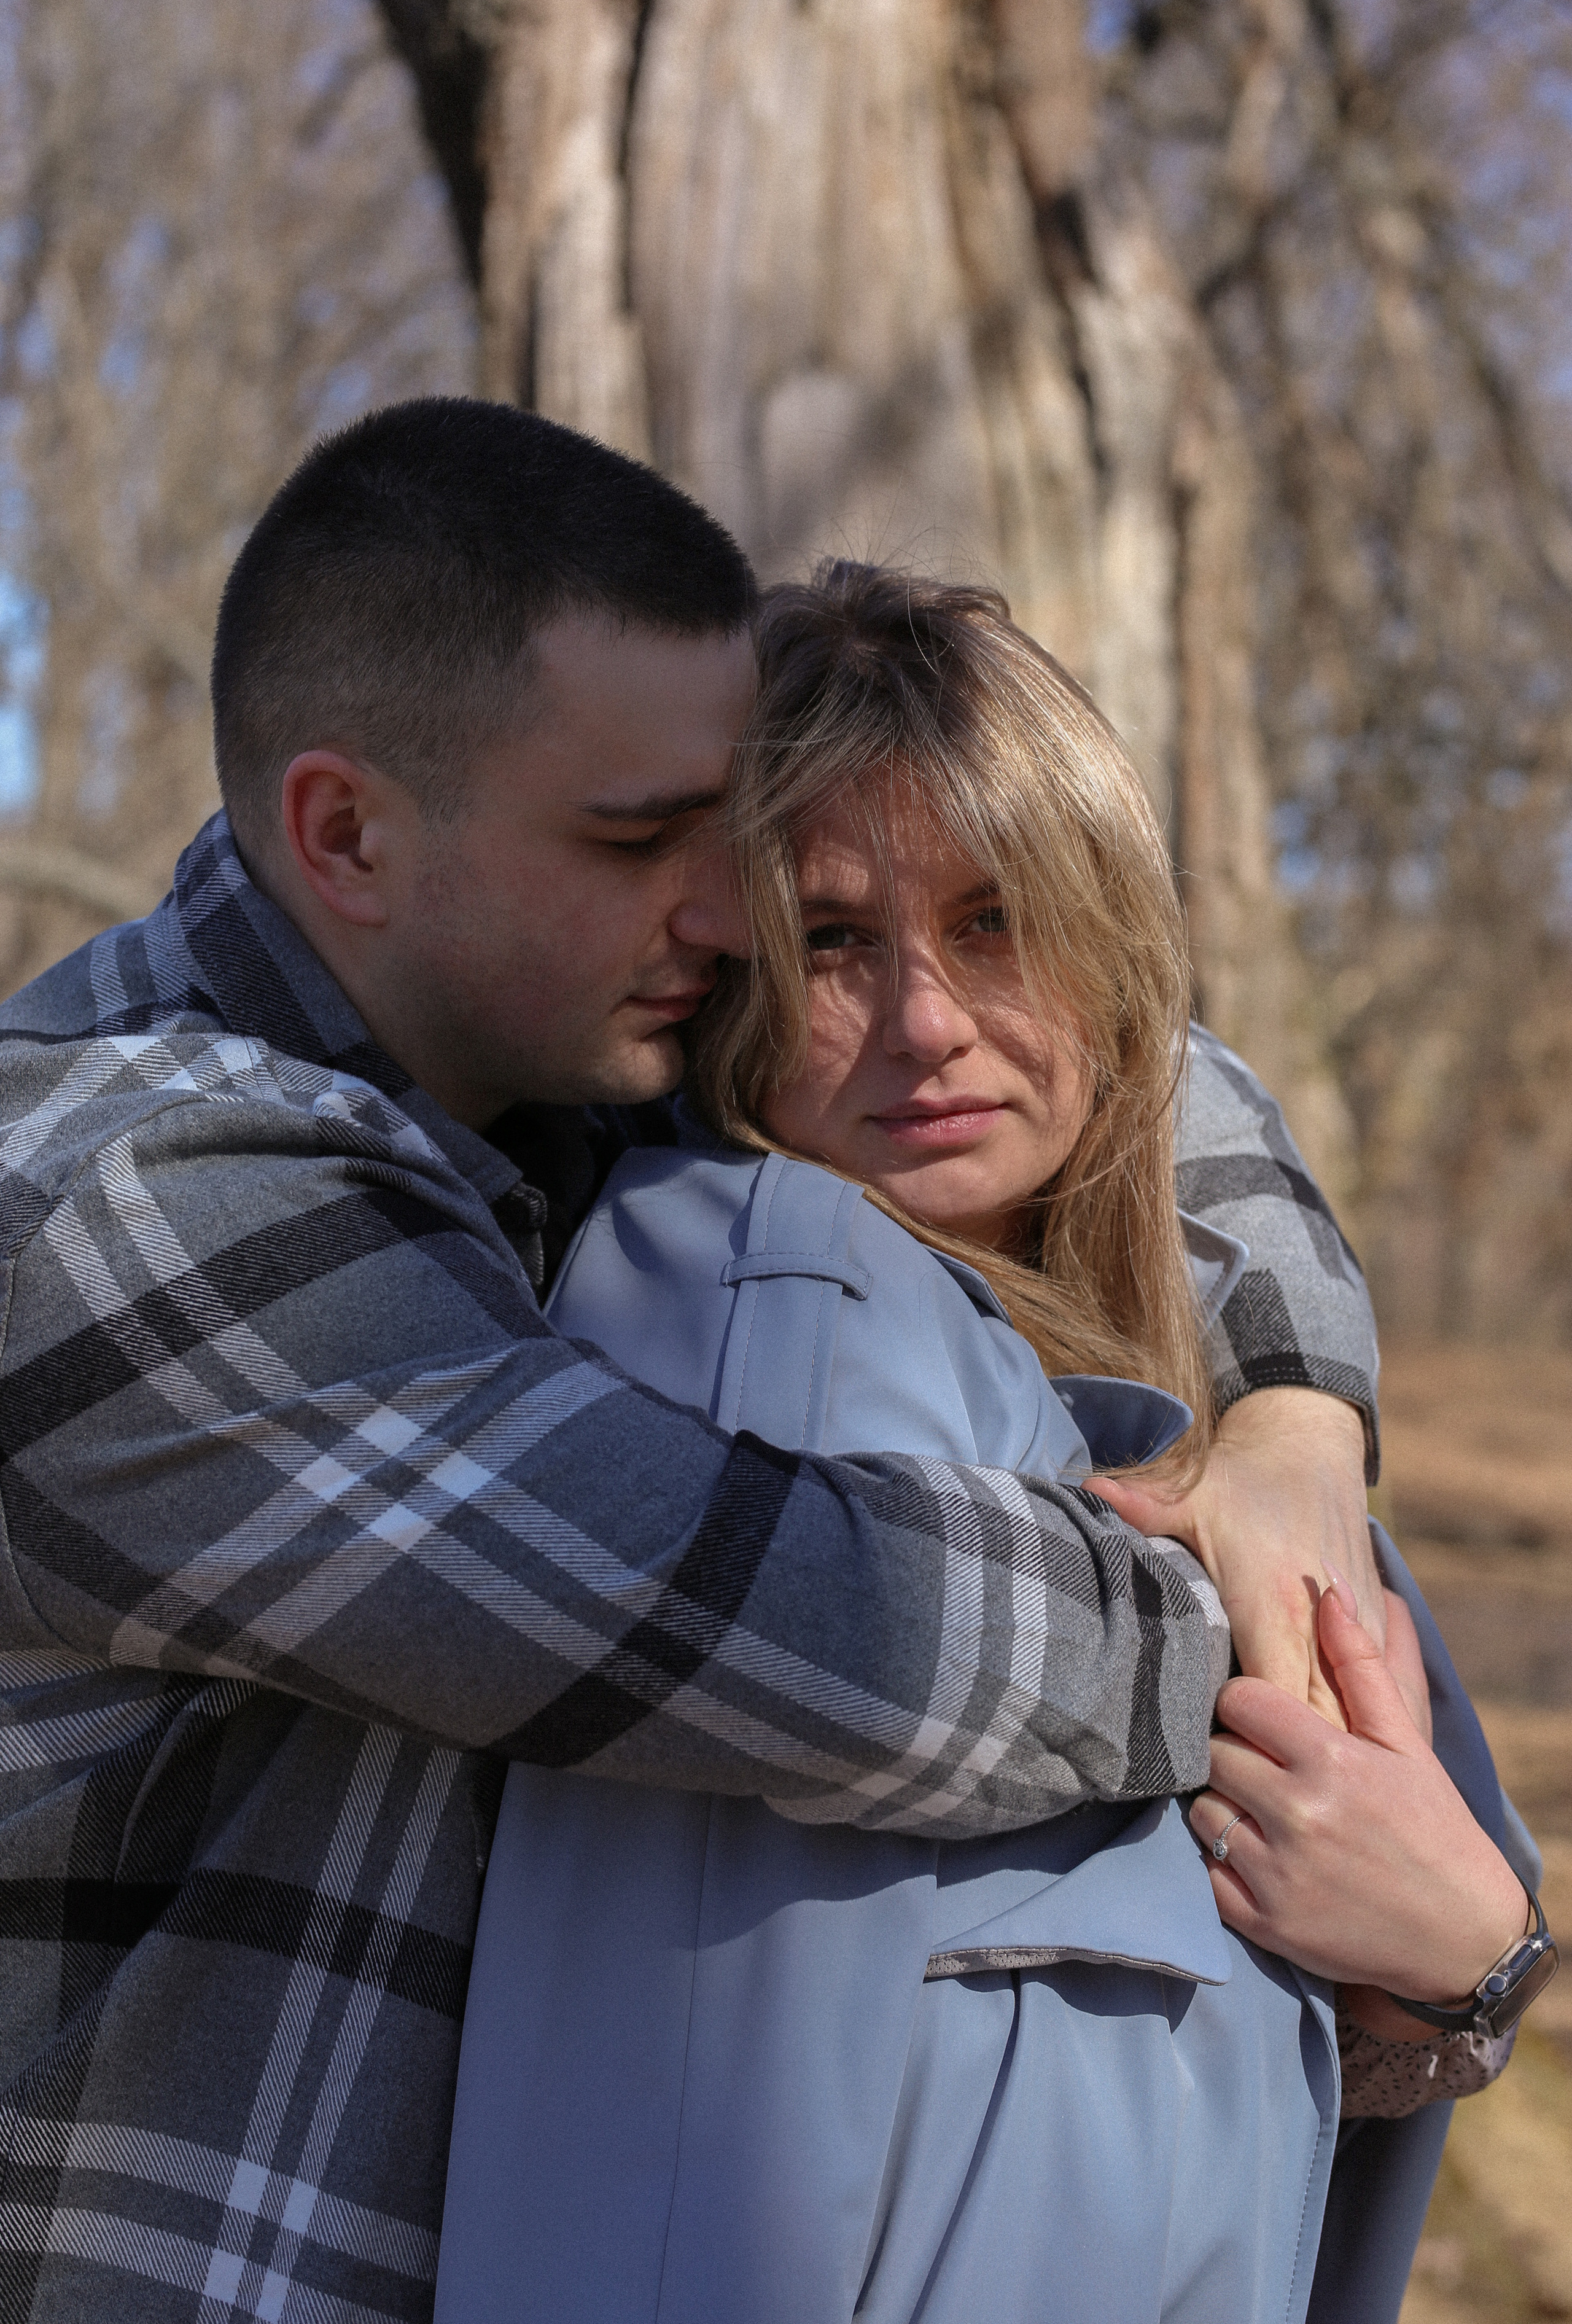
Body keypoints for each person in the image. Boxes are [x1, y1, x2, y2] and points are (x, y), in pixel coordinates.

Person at [0, 399, 1479, 2323]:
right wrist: (1305, 1681)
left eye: (731, 847)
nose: (727, 926)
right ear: (346, 834)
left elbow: (1131, 1058)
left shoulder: (530, 1054)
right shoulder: (120, 1206)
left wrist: (1296, 1420)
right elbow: (775, 1615)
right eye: (646, 845)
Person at [434, 561, 1545, 2324]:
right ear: (722, 971)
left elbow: (1291, 2031)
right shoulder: (760, 1296)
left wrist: (1458, 1976)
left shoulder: (1203, 1397)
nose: (928, 1025)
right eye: (836, 942)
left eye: (993, 922)